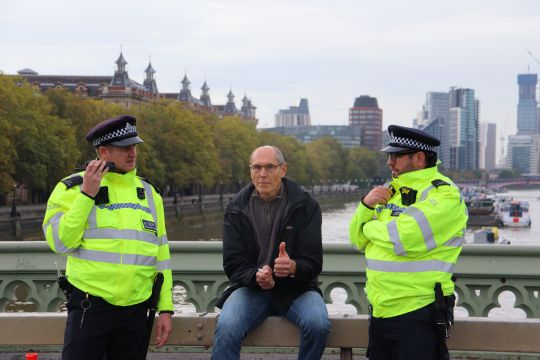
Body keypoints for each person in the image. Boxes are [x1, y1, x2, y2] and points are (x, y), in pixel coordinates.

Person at [42, 115, 173, 360]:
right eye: (125, 148)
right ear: (103, 152)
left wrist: (166, 307)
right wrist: (87, 195)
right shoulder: (70, 189)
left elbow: (161, 255)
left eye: (134, 146)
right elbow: (60, 243)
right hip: (90, 306)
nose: (132, 153)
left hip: (136, 308)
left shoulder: (149, 193)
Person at [349, 125, 468, 360]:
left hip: (418, 312)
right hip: (380, 311)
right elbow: (356, 239)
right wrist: (365, 206)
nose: (389, 162)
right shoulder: (389, 190)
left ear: (419, 158)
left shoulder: (444, 195)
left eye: (396, 155)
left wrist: (369, 226)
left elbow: (403, 239)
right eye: (389, 155)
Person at [211, 145, 331, 360]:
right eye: (256, 167)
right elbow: (232, 263)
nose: (262, 174)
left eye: (269, 167)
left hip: (297, 290)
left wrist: (293, 267)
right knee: (227, 326)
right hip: (251, 289)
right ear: (250, 170)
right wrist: (256, 276)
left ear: (283, 170)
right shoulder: (236, 208)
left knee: (318, 325)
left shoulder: (305, 206)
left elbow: (313, 262)